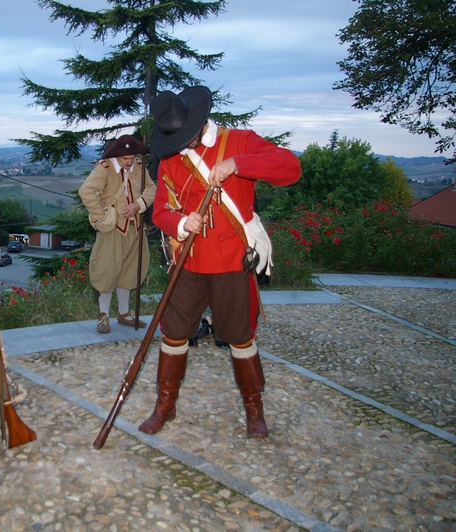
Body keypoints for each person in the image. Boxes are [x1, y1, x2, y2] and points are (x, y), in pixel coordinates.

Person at [140, 86, 301, 439]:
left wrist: (237, 164)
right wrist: (182, 223)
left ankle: (254, 411)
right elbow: (161, 211)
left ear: (198, 122)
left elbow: (290, 168)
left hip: (231, 259)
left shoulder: (239, 141)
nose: (182, 144)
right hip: (188, 260)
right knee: (173, 333)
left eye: (186, 136)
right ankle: (165, 406)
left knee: (241, 336)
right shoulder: (170, 159)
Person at [79, 135, 156, 333]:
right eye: (125, 159)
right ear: (116, 156)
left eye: (132, 158)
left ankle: (124, 312)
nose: (129, 162)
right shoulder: (104, 169)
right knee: (107, 270)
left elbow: (151, 188)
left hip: (135, 227)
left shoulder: (139, 166)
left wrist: (139, 205)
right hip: (113, 229)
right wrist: (100, 217)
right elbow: (86, 191)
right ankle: (103, 315)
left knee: (130, 270)